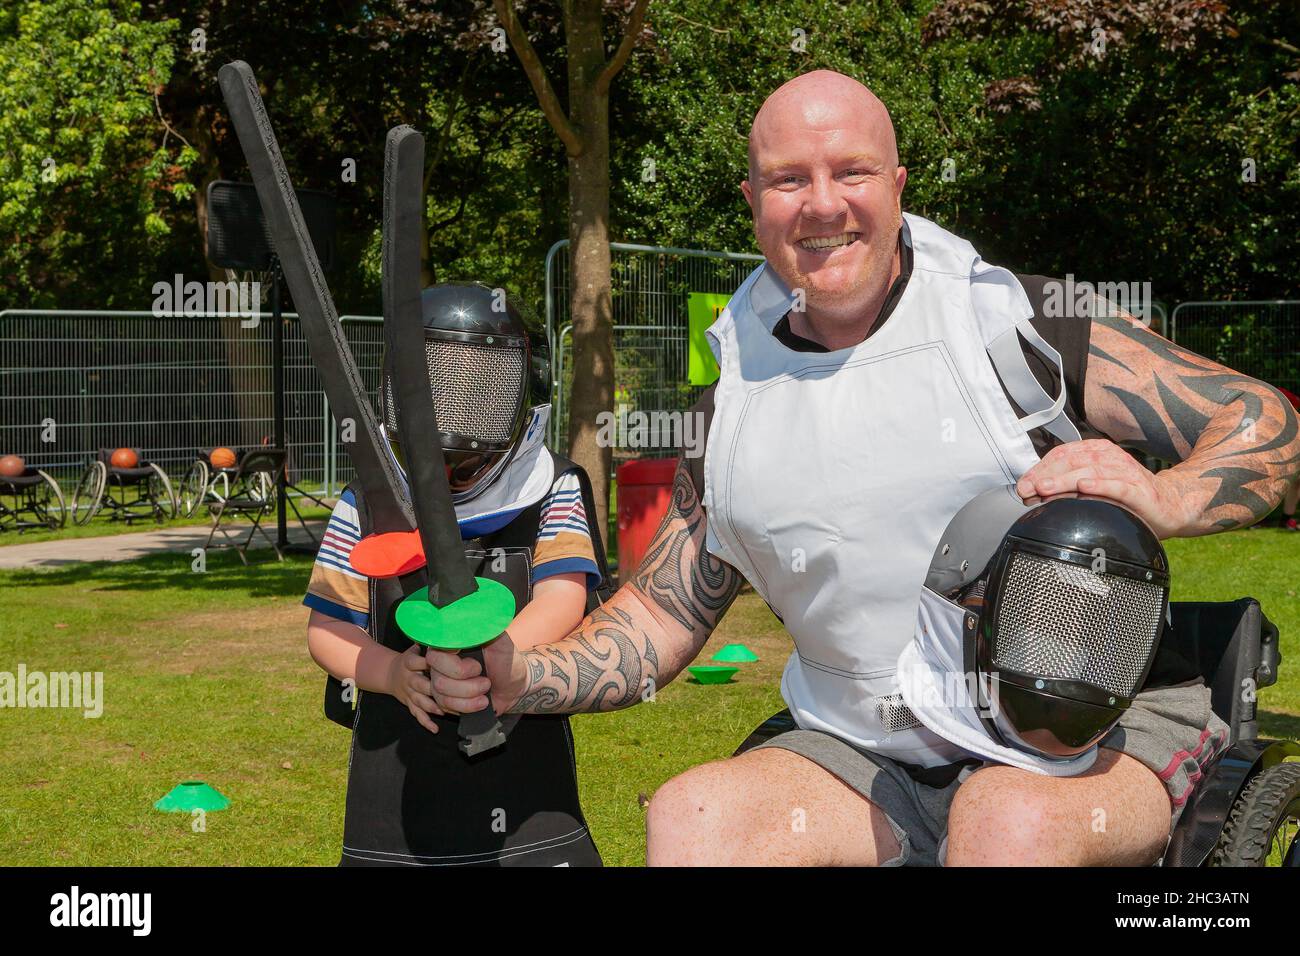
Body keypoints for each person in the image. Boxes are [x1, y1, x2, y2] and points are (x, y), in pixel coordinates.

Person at [424, 71, 1300, 866]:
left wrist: (1170, 493)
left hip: (1092, 731)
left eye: (852, 171)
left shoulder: (1010, 324)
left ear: (897, 185)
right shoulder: (731, 399)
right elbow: (660, 611)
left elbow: (1268, 420)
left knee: (1002, 821)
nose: (822, 204)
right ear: (753, 201)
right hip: (862, 750)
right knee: (694, 817)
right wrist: (521, 675)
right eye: (787, 180)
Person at [304, 283, 607, 866]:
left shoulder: (550, 488)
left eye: (478, 384)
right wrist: (393, 672)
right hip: (392, 785)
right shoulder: (369, 504)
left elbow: (563, 597)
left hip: (526, 784)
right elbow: (328, 628)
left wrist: (498, 656)